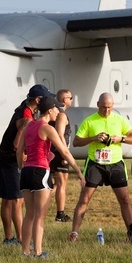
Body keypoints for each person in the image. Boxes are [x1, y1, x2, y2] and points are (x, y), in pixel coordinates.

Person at [18, 96, 85, 258]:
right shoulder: (47, 128)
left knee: (29, 214)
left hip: (26, 172)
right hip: (40, 172)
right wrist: (78, 171)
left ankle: (25, 252)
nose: (58, 112)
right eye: (56, 109)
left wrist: (22, 168)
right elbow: (64, 151)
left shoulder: (29, 126)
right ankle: (38, 252)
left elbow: (20, 150)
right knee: (40, 216)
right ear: (49, 110)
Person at [69, 93, 132, 241]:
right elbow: (76, 142)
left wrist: (121, 138)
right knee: (84, 199)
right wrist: (94, 138)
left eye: (109, 108)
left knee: (125, 200)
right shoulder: (89, 121)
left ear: (112, 106)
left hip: (115, 164)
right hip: (95, 164)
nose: (106, 111)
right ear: (97, 105)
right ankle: (74, 233)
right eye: (103, 108)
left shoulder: (120, 120)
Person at [0, 85, 52, 246]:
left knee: (7, 199)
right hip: (13, 159)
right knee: (17, 201)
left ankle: (9, 238)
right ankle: (22, 239)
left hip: (3, 156)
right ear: (38, 100)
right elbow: (17, 144)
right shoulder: (26, 115)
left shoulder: (21, 109)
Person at [49, 89, 75, 222]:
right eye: (70, 98)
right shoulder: (61, 115)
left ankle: (59, 212)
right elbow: (59, 134)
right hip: (59, 153)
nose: (72, 100)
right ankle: (60, 214)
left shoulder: (57, 113)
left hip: (56, 152)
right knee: (60, 184)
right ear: (64, 100)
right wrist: (65, 152)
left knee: (59, 184)